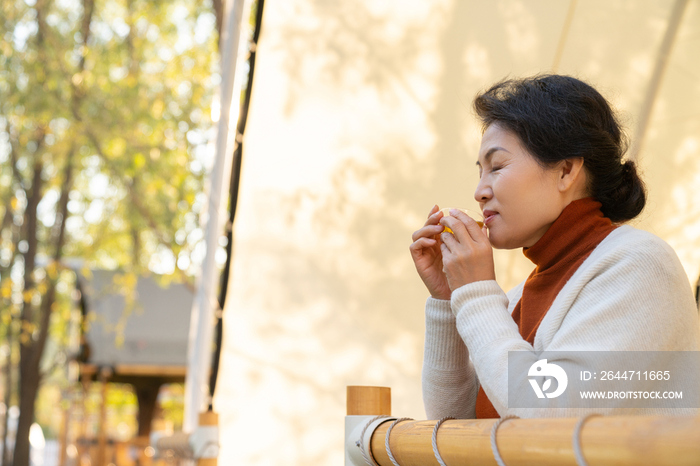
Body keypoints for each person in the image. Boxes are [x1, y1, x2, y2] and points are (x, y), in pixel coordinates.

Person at [409, 75, 700, 419]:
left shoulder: (641, 266)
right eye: (480, 172)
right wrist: (448, 301)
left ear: (565, 171)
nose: (480, 192)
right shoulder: (522, 295)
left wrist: (475, 293)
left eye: (497, 166)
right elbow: (454, 424)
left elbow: (550, 415)